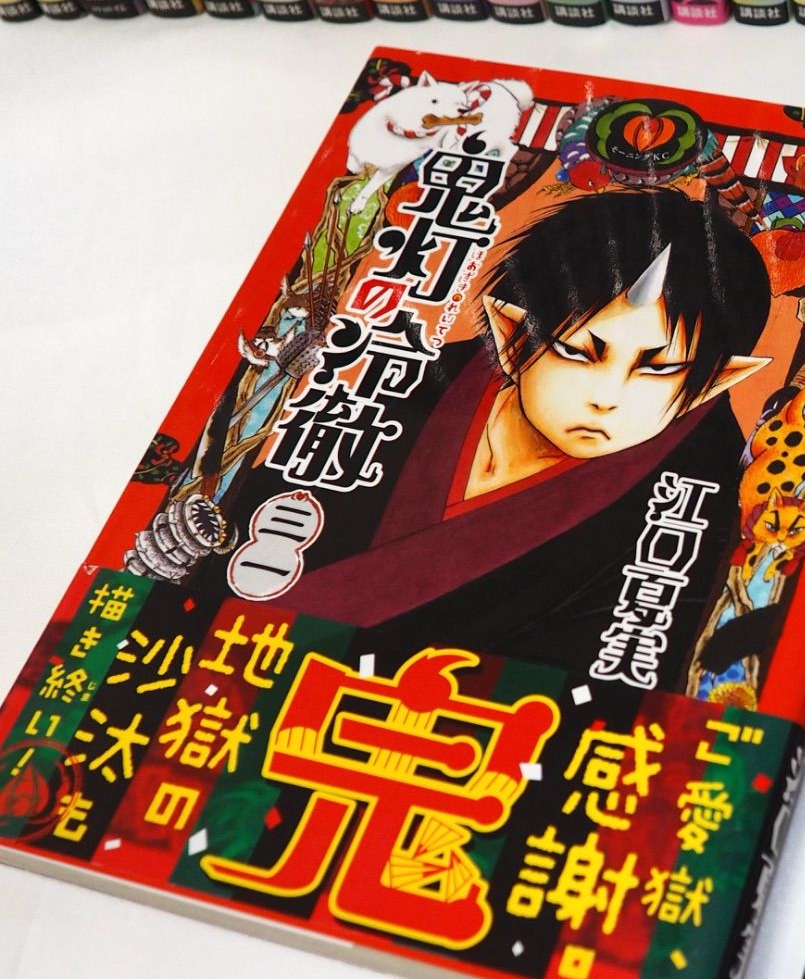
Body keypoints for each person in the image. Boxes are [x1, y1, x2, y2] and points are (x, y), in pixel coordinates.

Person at [195, 187, 772, 695]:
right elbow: (255, 506)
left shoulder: (701, 500)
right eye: (577, 352)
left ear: (713, 385)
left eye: (659, 369)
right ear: (512, 332)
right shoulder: (406, 381)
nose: (607, 396)